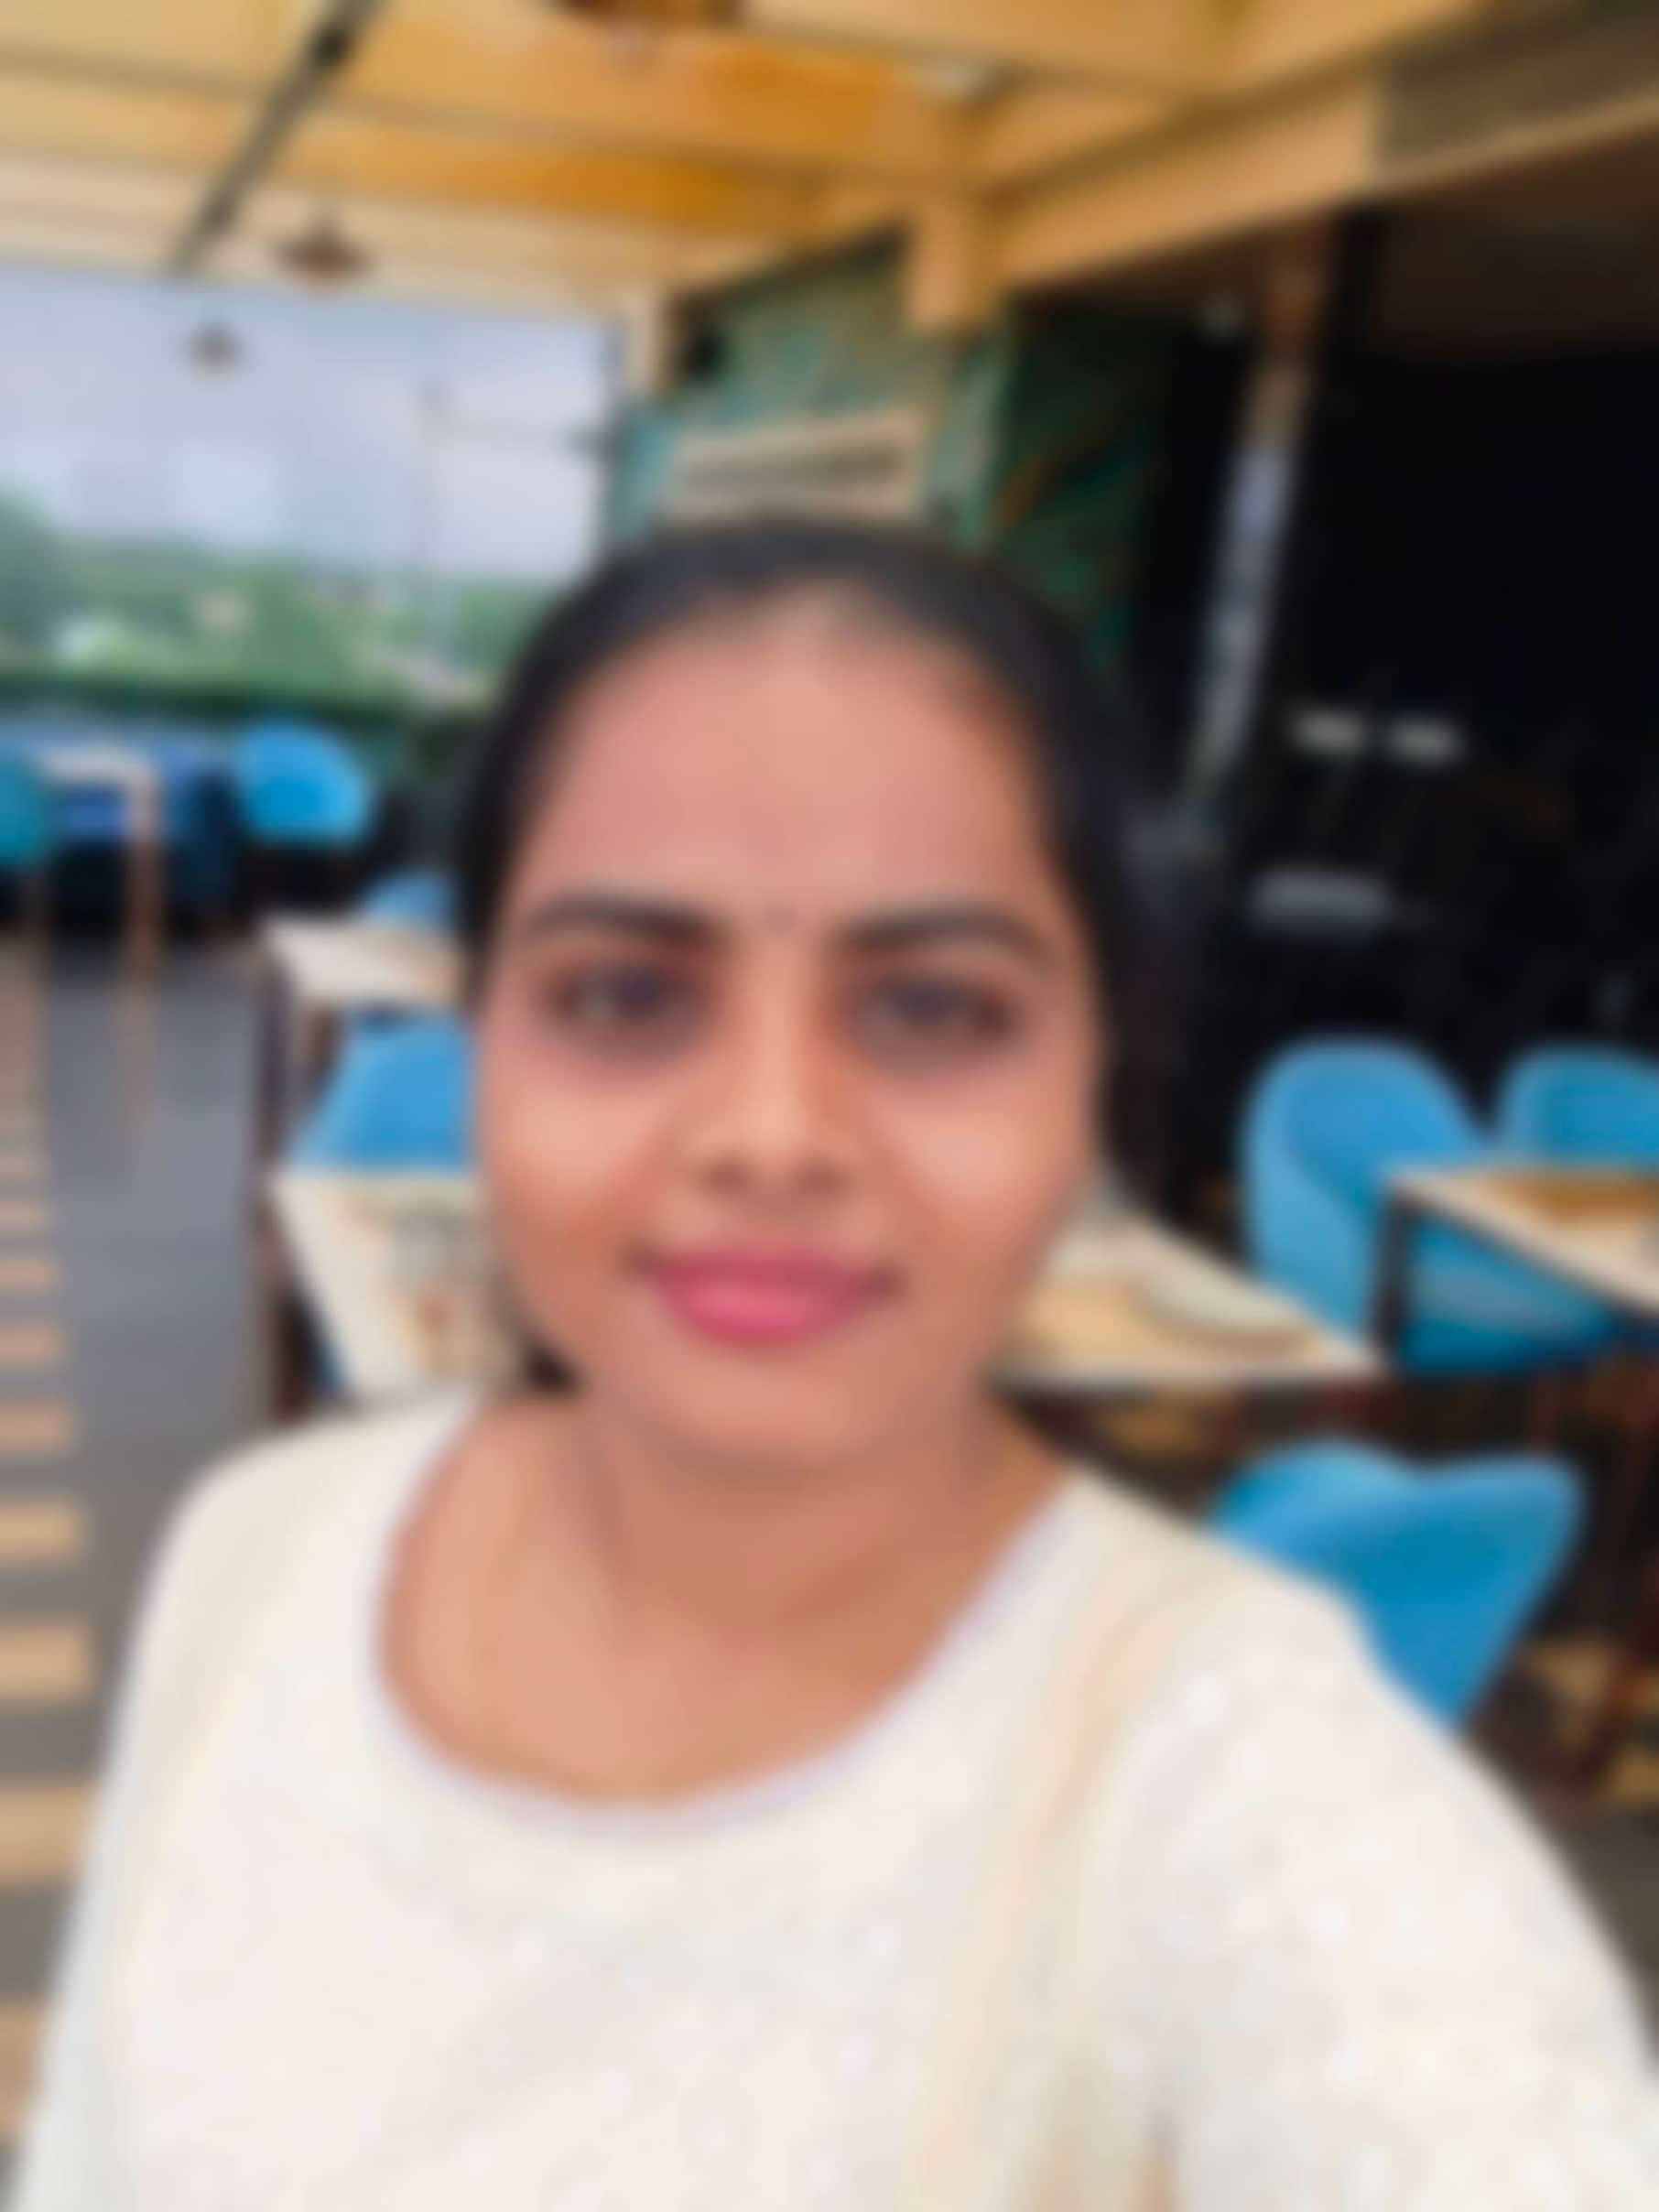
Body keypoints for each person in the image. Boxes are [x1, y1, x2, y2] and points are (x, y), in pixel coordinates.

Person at [15, 523, 1654, 2209]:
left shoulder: (1244, 1788)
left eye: (935, 1009)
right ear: (478, 1034)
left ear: (1099, 1083)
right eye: (624, 993)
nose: (772, 1135)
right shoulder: (259, 1551)